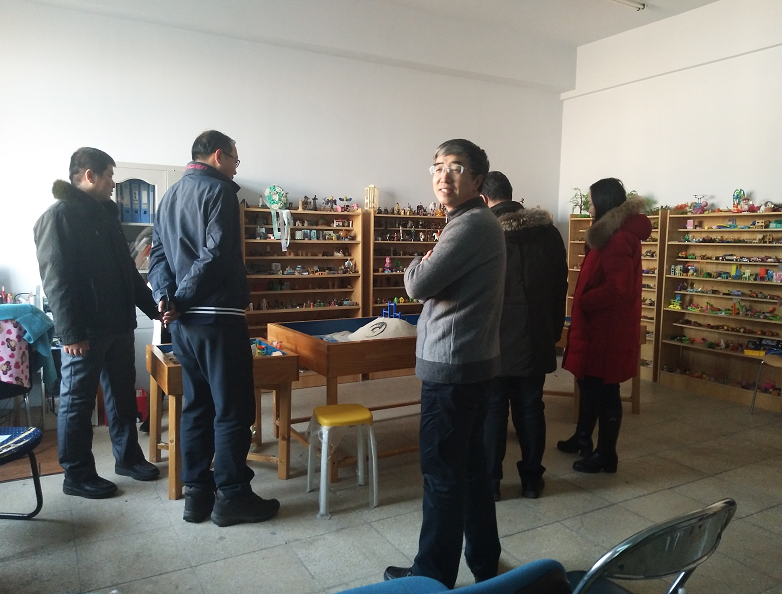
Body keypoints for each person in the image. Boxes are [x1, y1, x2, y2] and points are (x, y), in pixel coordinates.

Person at [384, 140, 506, 589]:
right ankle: (484, 560)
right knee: (470, 469)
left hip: (452, 367)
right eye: (437, 167)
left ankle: (432, 574)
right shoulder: (474, 221)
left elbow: (418, 284)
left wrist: (418, 261)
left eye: (455, 168)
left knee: (441, 474)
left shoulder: (469, 225)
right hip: (470, 363)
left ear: (477, 180)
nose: (443, 176)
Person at [148, 130, 280, 526]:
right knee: (234, 408)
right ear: (219, 156)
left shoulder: (169, 196)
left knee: (197, 406)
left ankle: (197, 494)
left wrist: (168, 298)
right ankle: (234, 495)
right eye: (236, 159)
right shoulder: (220, 191)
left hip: (184, 325)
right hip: (217, 316)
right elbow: (218, 253)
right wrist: (183, 298)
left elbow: (157, 257)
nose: (237, 168)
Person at [34, 147, 161, 499]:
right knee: (77, 403)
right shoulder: (58, 217)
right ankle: (77, 475)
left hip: (119, 324)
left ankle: (128, 459)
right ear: (89, 176)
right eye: (109, 176)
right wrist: (70, 333)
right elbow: (57, 281)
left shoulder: (105, 217)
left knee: (122, 397)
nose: (113, 183)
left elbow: (128, 274)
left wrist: (154, 309)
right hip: (85, 333)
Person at [480, 172, 567, 500]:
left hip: (493, 338)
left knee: (493, 410)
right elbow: (560, 285)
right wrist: (553, 330)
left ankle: (491, 483)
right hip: (536, 334)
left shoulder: (484, 231)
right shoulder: (548, 233)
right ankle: (531, 480)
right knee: (531, 408)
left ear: (484, 198)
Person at [559, 178, 651, 473]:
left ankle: (606, 454)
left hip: (606, 330)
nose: (589, 207)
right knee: (589, 386)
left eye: (591, 202)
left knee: (606, 391)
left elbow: (617, 288)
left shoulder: (618, 238)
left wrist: (585, 301)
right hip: (598, 328)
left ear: (603, 202)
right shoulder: (609, 234)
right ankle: (583, 437)